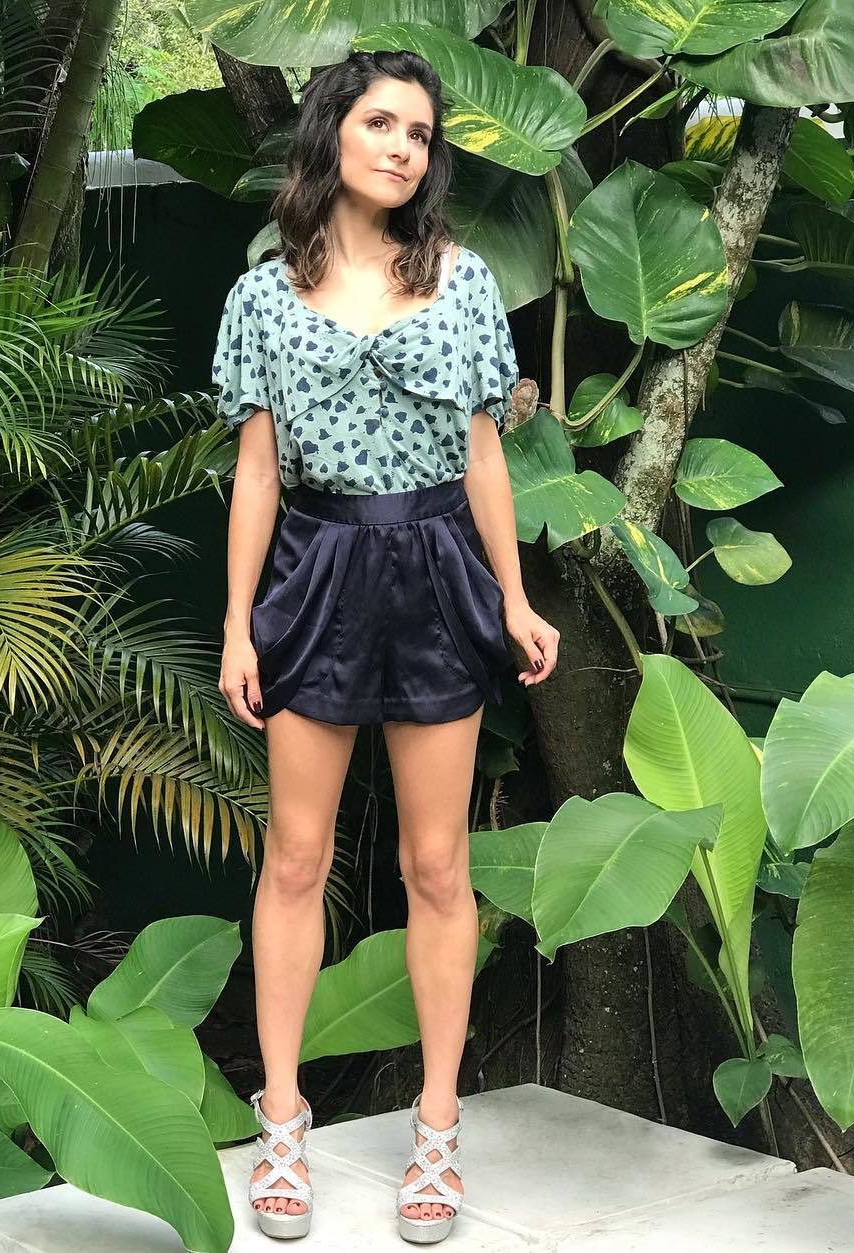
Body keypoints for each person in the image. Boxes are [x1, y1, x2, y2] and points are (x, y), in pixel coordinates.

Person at [211, 48, 559, 1245]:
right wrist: (238, 622)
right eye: (381, 124)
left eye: (420, 132)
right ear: (333, 134)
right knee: (295, 859)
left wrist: (514, 597)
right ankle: (284, 1120)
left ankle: (438, 1125)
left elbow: (485, 456)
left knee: (438, 865)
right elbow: (258, 470)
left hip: (438, 570)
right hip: (315, 570)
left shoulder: (464, 282)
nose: (404, 147)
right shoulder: (264, 295)